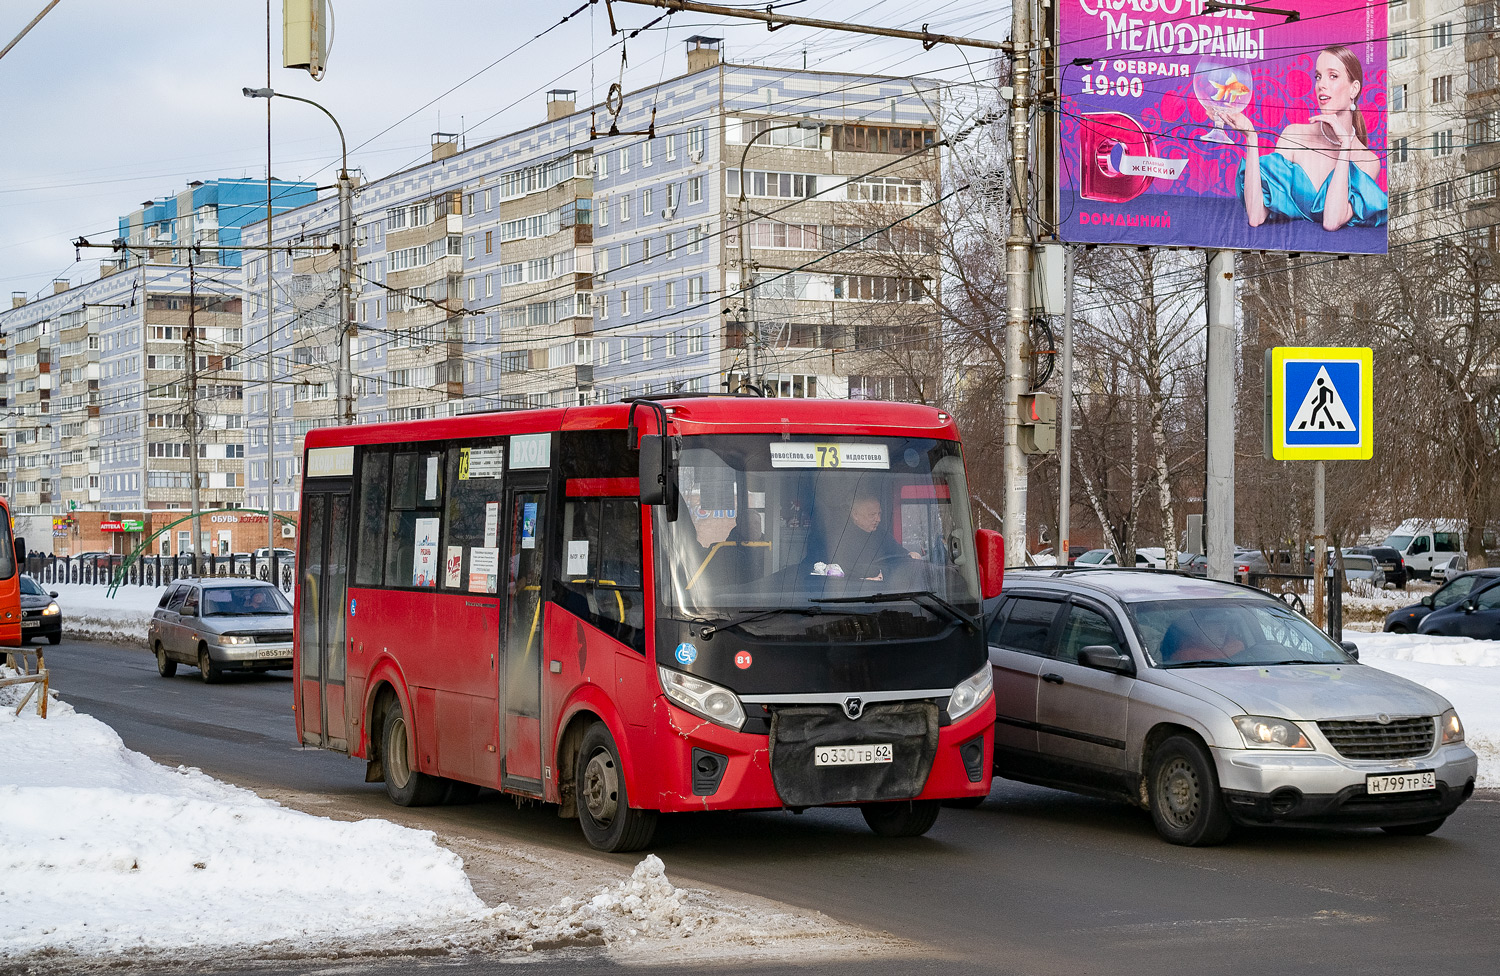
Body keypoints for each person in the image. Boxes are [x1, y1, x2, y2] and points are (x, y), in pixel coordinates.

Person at [1228, 45, 1387, 232]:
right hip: (1284, 253)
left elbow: (1332, 222)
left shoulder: (1368, 161)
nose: (1322, 85)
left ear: (1354, 89)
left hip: (1329, 259)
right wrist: (1251, 138)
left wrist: (1345, 145)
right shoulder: (1294, 135)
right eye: (1318, 76)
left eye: (1333, 76)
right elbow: (1256, 216)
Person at [819, 493, 920, 581]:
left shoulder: (882, 535)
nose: (878, 519)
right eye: (872, 514)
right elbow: (840, 568)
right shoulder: (840, 537)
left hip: (884, 592)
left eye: (879, 513)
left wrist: (910, 555)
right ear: (855, 515)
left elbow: (899, 555)